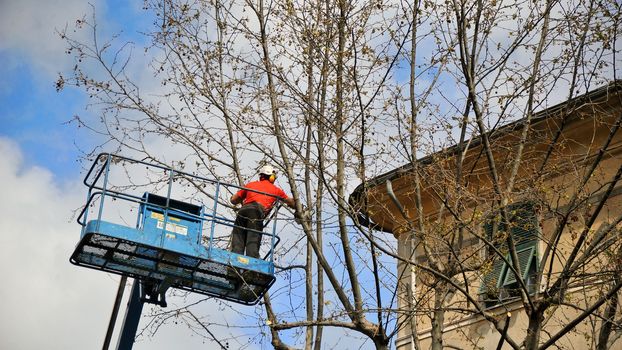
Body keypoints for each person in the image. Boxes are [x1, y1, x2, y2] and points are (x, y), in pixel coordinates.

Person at [230, 165, 295, 258]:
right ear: (271, 177)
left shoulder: (250, 185)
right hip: (256, 212)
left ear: (261, 176)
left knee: (238, 238)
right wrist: (298, 205)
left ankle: (234, 263)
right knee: (252, 240)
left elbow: (234, 200)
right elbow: (291, 202)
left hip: (243, 211)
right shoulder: (276, 190)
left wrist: (234, 198)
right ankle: (251, 268)